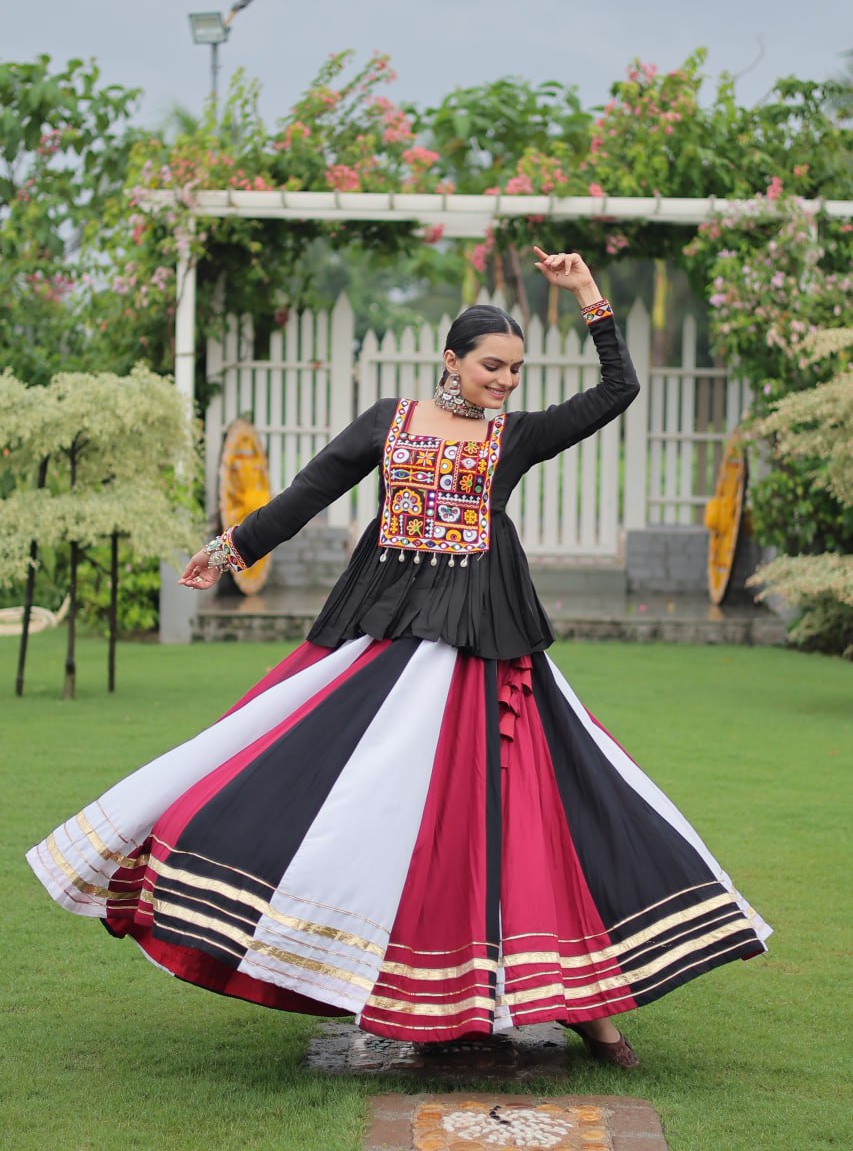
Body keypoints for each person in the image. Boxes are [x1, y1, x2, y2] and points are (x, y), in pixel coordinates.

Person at [27, 249, 770, 1069]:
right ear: (451, 359)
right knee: (361, 800)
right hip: (388, 633)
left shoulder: (516, 436)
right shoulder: (391, 421)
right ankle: (373, 972)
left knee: (530, 811)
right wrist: (229, 549)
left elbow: (617, 390)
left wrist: (588, 293)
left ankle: (588, 1010)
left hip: (487, 644)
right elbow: (309, 491)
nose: (505, 381)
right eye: (491, 366)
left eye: (515, 370)